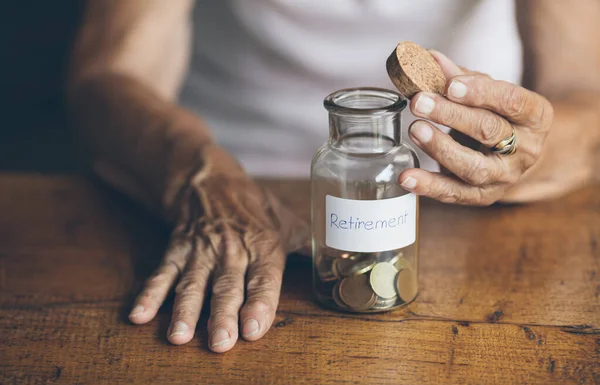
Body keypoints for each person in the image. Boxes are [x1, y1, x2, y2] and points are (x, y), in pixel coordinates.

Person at [67, 0, 600, 353]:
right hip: (218, 164)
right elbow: (108, 75)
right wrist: (198, 174)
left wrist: (513, 146)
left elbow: (584, 93)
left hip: (447, 182)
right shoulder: (207, 173)